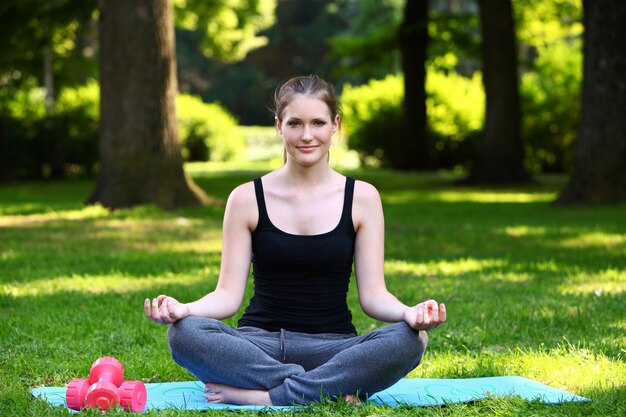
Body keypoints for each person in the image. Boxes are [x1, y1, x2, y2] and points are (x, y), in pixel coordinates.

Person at [144, 74, 446, 406]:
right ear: (278, 125)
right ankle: (326, 391)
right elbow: (227, 296)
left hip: (334, 347)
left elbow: (373, 296)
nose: (306, 135)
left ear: (335, 125)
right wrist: (183, 309)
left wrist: (409, 313)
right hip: (259, 346)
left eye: (317, 123)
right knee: (185, 334)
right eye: (295, 123)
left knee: (409, 340)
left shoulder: (362, 198)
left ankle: (267, 397)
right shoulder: (246, 198)